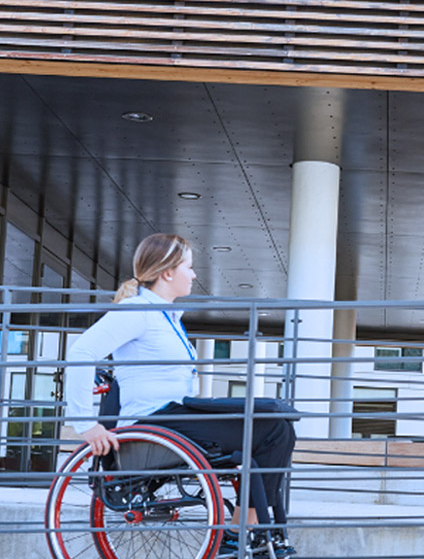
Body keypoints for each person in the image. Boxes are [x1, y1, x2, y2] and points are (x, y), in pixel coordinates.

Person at [64, 232, 296, 541]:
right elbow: (81, 352)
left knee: (277, 425)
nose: (194, 274)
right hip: (155, 421)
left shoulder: (166, 316)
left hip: (175, 414)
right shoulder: (138, 311)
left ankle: (247, 531)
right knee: (272, 430)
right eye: (189, 267)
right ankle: (241, 533)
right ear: (168, 272)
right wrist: (86, 424)